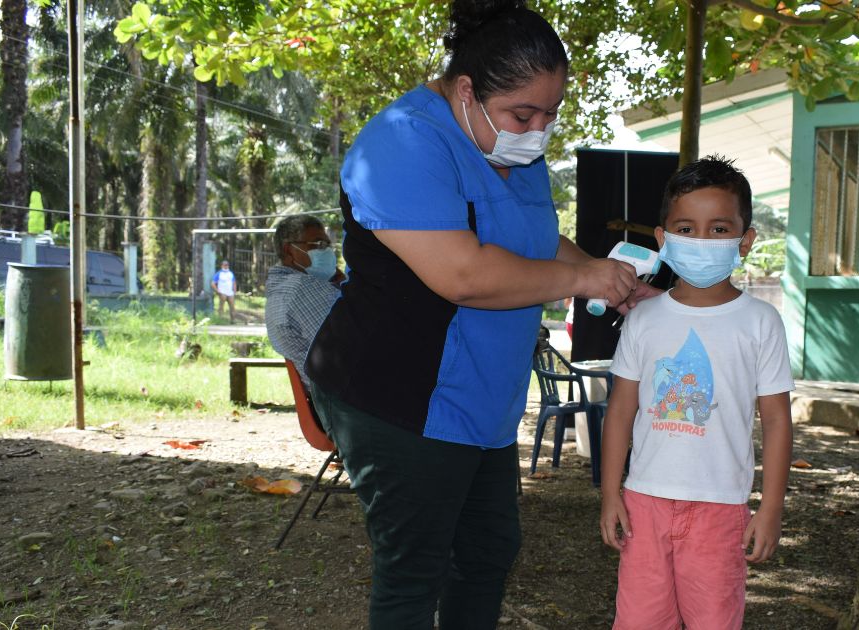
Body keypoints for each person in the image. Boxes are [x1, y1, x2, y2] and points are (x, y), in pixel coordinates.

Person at [304, 1, 655, 627]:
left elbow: (537, 238)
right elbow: (462, 274)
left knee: (490, 550)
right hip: (401, 398)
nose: (539, 129)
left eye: (550, 114)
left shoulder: (511, 146)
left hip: (478, 402)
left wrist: (611, 280)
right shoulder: (402, 142)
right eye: (525, 113)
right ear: (466, 91)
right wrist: (581, 277)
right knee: (415, 569)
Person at [598, 156, 795, 629]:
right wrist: (610, 494)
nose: (701, 241)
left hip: (721, 509)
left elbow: (777, 421)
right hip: (644, 504)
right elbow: (621, 411)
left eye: (719, 228)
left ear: (744, 241)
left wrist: (770, 510)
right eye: (686, 227)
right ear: (663, 239)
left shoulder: (761, 322)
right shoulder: (642, 319)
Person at [264, 214, 341, 390]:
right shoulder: (302, 288)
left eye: (328, 245)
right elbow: (352, 343)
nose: (327, 251)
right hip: (347, 402)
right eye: (318, 244)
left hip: (329, 397)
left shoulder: (280, 290)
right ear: (289, 251)